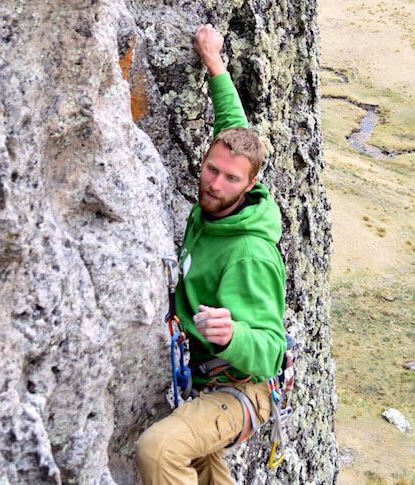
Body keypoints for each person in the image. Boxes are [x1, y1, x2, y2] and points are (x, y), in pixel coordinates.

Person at [135, 24, 291, 485]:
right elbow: (233, 126)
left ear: (250, 184)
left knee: (160, 451)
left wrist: (231, 334)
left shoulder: (249, 255)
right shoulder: (231, 169)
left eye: (230, 180)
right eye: (211, 170)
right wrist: (213, 60)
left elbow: (270, 351)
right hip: (207, 379)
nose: (215, 184)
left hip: (239, 387)